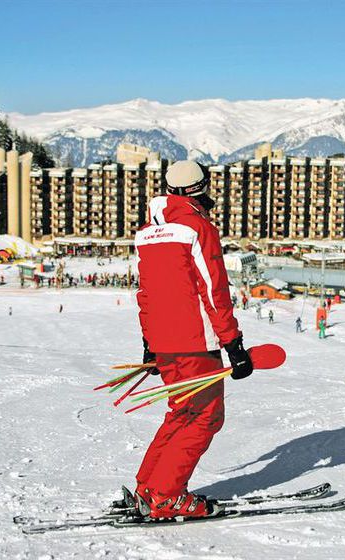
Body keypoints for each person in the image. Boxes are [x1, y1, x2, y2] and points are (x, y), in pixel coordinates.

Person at [133, 160, 252, 520]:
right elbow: (214, 289)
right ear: (201, 188)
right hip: (196, 342)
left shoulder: (148, 233)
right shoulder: (197, 227)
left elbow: (146, 293)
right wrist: (233, 344)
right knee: (204, 416)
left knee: (181, 412)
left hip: (165, 342)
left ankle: (149, 487)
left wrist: (150, 343)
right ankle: (165, 496)